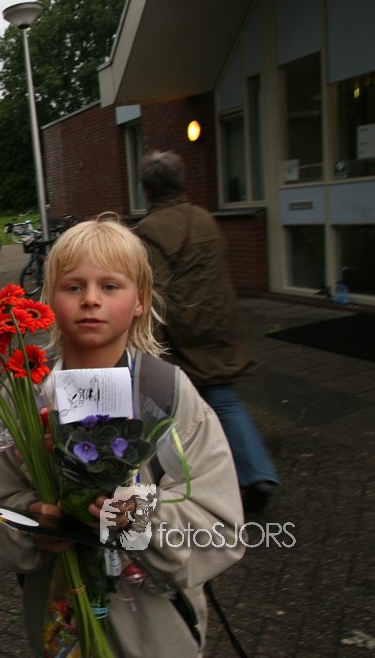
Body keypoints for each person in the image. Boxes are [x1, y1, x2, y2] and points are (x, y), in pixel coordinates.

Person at [0, 215, 244, 657]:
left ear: (140, 301)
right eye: (73, 286)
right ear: (49, 300)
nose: (91, 299)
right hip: (61, 627)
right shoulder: (25, 395)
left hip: (153, 633)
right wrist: (34, 524)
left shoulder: (169, 393)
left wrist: (141, 517)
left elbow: (221, 525)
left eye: (111, 286)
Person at [135, 149, 280, 512]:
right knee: (223, 397)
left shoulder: (149, 231)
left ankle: (181, 481)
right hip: (220, 320)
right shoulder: (206, 219)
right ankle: (256, 472)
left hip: (184, 331)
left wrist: (149, 345)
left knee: (169, 404)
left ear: (147, 190)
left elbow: (155, 292)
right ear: (181, 182)